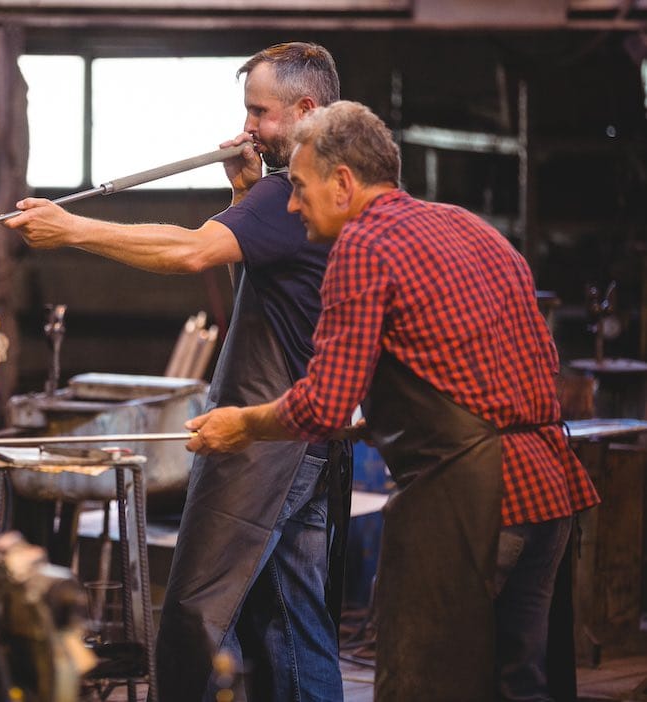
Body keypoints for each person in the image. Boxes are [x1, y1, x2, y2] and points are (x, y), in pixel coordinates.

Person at [186, 100, 601, 702]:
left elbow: (323, 407)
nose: (292, 205)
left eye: (299, 187)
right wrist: (380, 421)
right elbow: (516, 370)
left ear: (343, 183)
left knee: (424, 688)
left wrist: (242, 425)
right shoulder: (470, 228)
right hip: (548, 493)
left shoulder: (362, 245)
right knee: (516, 687)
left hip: (472, 501)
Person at [5, 42, 346, 702]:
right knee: (291, 619)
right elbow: (275, 286)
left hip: (263, 444)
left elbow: (188, 252)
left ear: (307, 110)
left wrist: (72, 229)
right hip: (306, 440)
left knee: (197, 614)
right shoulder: (327, 193)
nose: (247, 128)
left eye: (260, 112)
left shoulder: (288, 195)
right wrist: (243, 192)